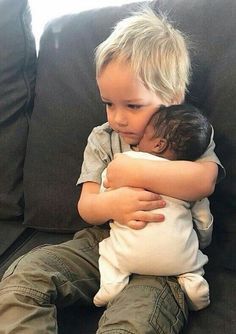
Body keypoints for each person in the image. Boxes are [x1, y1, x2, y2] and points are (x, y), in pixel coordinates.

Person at [0, 8, 224, 334]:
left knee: (131, 325)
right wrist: (113, 205)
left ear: (172, 98)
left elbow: (204, 180)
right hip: (103, 244)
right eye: (109, 103)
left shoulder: (187, 134)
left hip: (163, 267)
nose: (118, 118)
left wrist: (130, 172)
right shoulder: (103, 138)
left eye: (132, 105)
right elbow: (87, 205)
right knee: (22, 280)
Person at [94, 104, 214, 311]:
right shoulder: (189, 174)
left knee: (107, 251)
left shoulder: (125, 160)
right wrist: (203, 242)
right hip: (179, 257)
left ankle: (112, 283)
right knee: (192, 260)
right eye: (109, 103)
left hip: (127, 255)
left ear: (158, 145)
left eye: (134, 105)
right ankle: (193, 279)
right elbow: (203, 219)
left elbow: (104, 190)